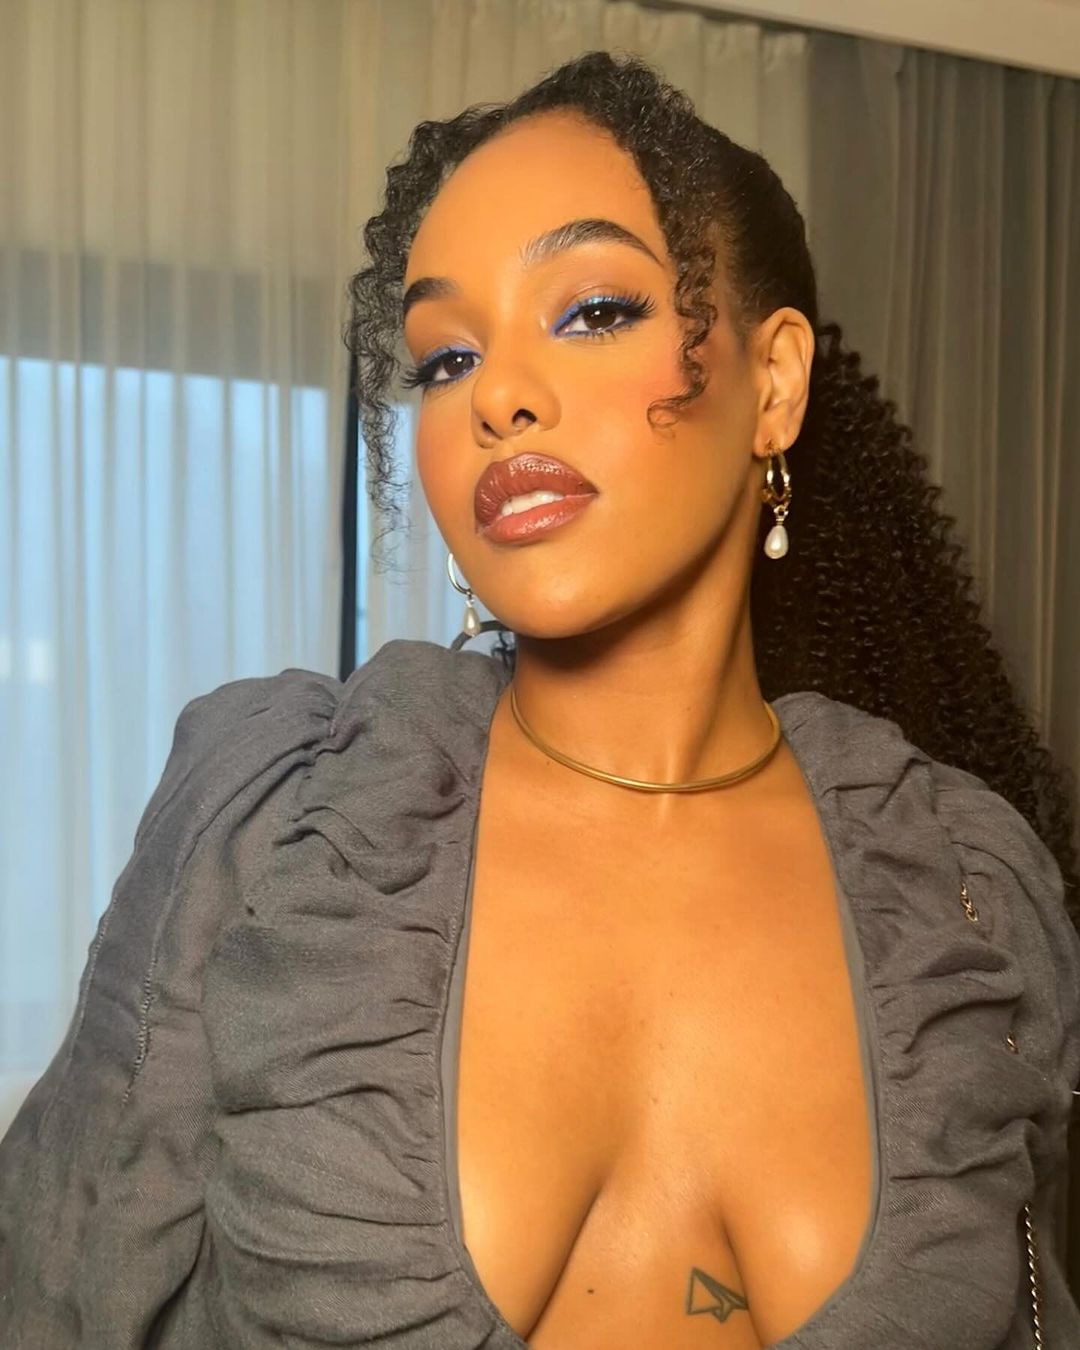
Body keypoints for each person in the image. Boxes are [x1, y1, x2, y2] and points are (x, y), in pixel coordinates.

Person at [2, 48, 1078, 1350]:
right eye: (446, 357)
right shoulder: (283, 825)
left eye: (593, 310)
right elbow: (54, 1291)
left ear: (774, 382)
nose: (499, 395)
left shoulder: (961, 890)